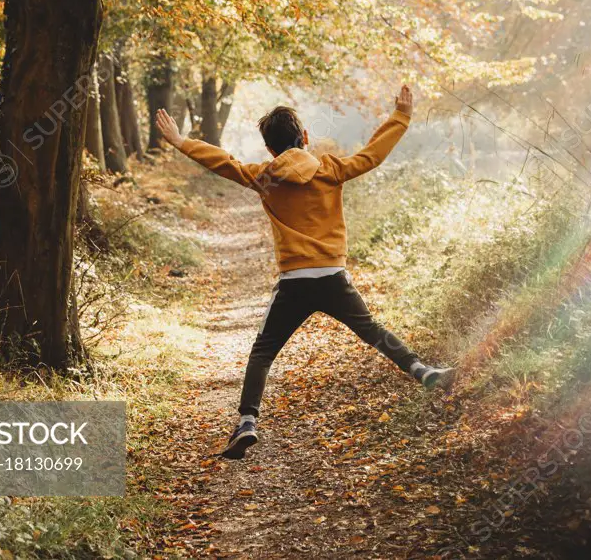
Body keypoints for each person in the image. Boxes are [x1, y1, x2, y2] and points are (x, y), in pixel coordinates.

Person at [155, 85, 455, 459]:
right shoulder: (330, 169)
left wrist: (182, 141)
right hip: (333, 277)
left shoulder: (265, 177)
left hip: (294, 282)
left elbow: (223, 162)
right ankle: (422, 371)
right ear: (306, 138)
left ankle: (247, 421)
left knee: (263, 352)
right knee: (374, 332)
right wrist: (400, 116)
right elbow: (372, 155)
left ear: (269, 149)